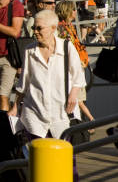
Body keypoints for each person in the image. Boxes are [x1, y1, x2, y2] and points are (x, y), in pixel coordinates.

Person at [8, 10, 85, 181]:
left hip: (61, 114)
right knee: (39, 162)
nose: (34, 31)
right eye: (34, 28)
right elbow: (24, 82)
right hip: (35, 113)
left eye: (39, 28)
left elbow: (79, 77)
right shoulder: (30, 51)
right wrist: (15, 107)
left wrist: (74, 95)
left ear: (53, 28)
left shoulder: (67, 47)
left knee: (66, 162)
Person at [56, 1, 95, 131]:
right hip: (71, 69)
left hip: (78, 66)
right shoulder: (61, 28)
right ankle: (90, 122)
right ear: (67, 11)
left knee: (79, 99)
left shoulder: (69, 26)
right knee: (77, 99)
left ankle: (87, 123)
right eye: (73, 10)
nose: (75, 12)